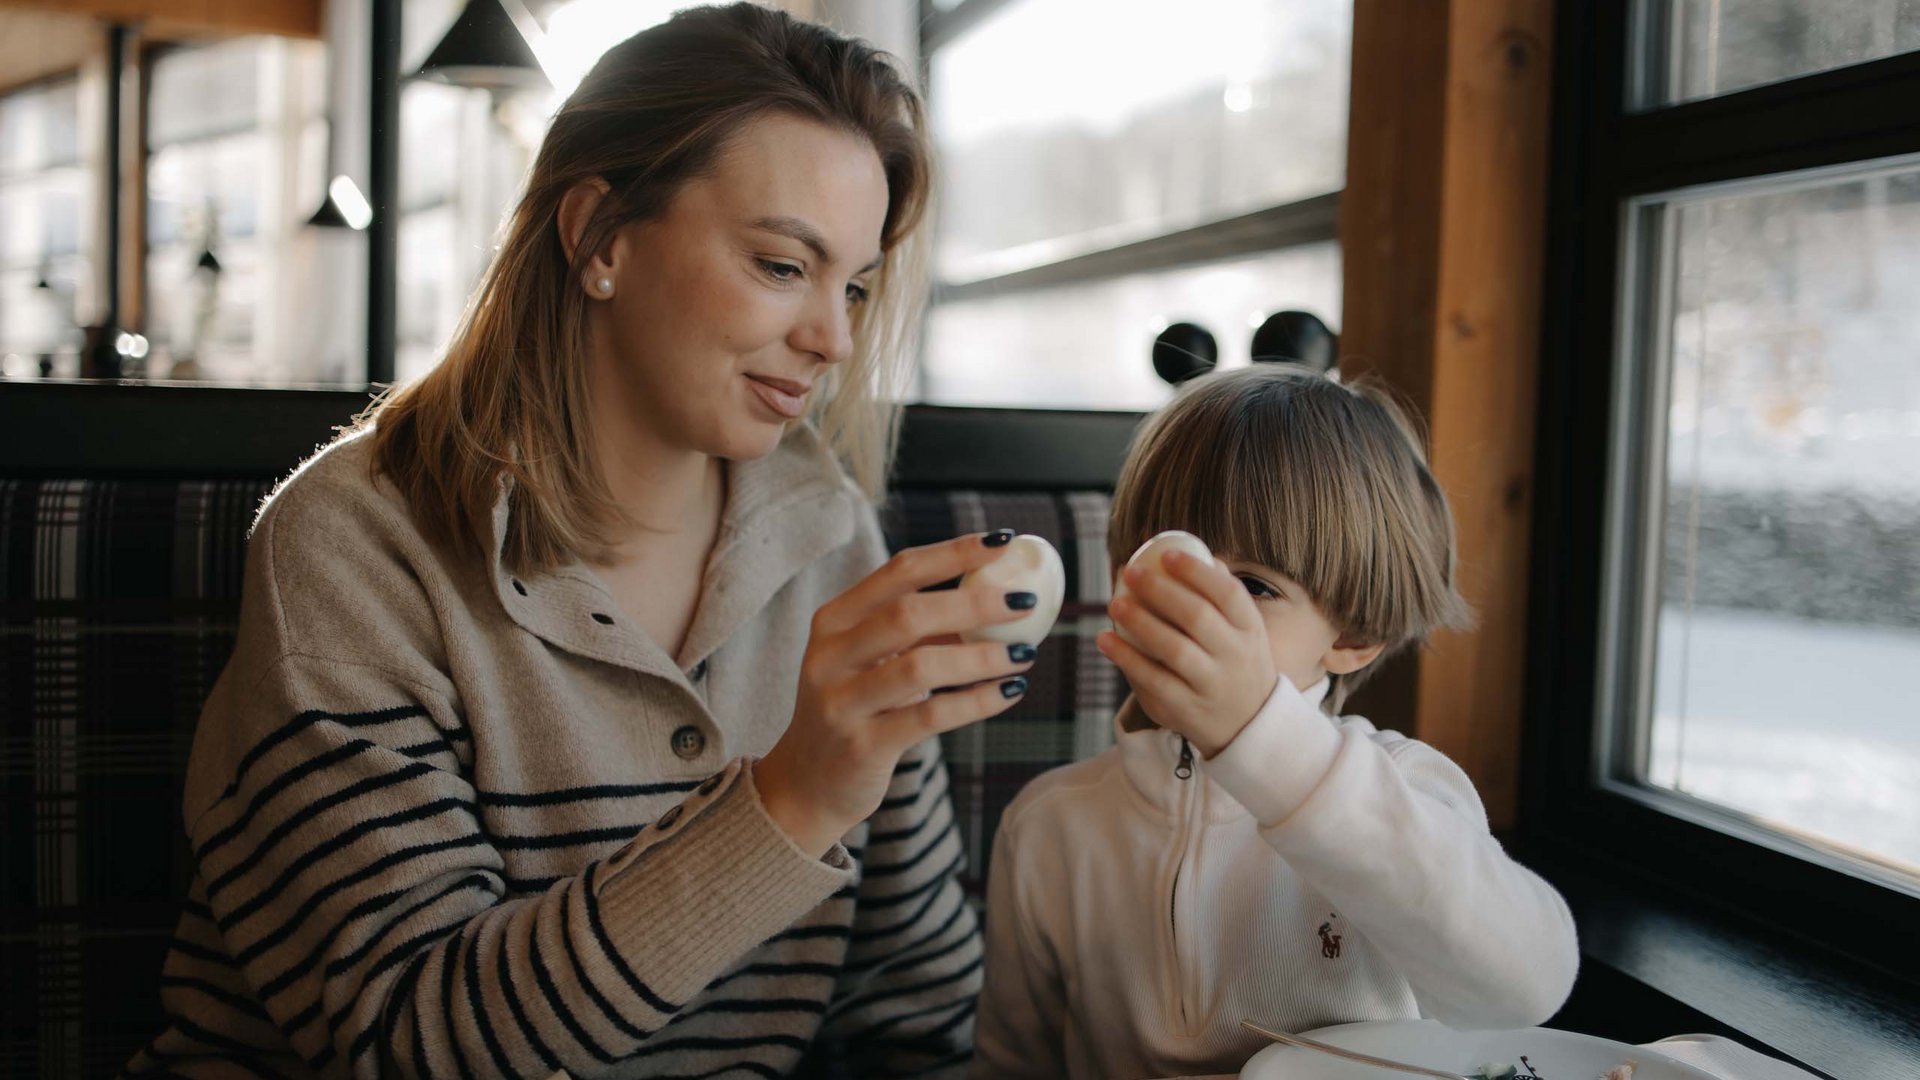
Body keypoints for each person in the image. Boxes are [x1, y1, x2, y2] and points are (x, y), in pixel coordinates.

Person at [124, 7, 1034, 1078]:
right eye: (784, 266)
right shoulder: (355, 546)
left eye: (856, 286)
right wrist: (792, 798)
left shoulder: (828, 540)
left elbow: (913, 1020)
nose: (833, 337)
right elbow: (406, 1041)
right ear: (599, 236)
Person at [970, 366, 1580, 1080]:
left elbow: (1529, 985)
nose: (1198, 607)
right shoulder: (1049, 825)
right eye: (1167, 561)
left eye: (1255, 585)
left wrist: (1264, 742)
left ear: (1353, 635)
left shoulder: (1400, 791)